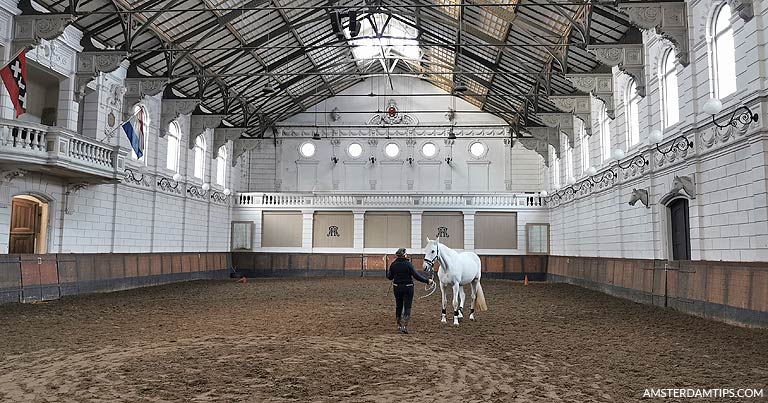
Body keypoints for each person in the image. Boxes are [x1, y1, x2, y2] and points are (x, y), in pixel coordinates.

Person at [386, 248, 433, 334]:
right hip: (408, 287)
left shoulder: (393, 264)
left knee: (398, 306)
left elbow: (389, 277)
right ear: (404, 255)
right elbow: (417, 276)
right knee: (407, 307)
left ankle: (399, 325)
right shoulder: (409, 264)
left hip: (397, 287)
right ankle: (404, 325)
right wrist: (427, 281)